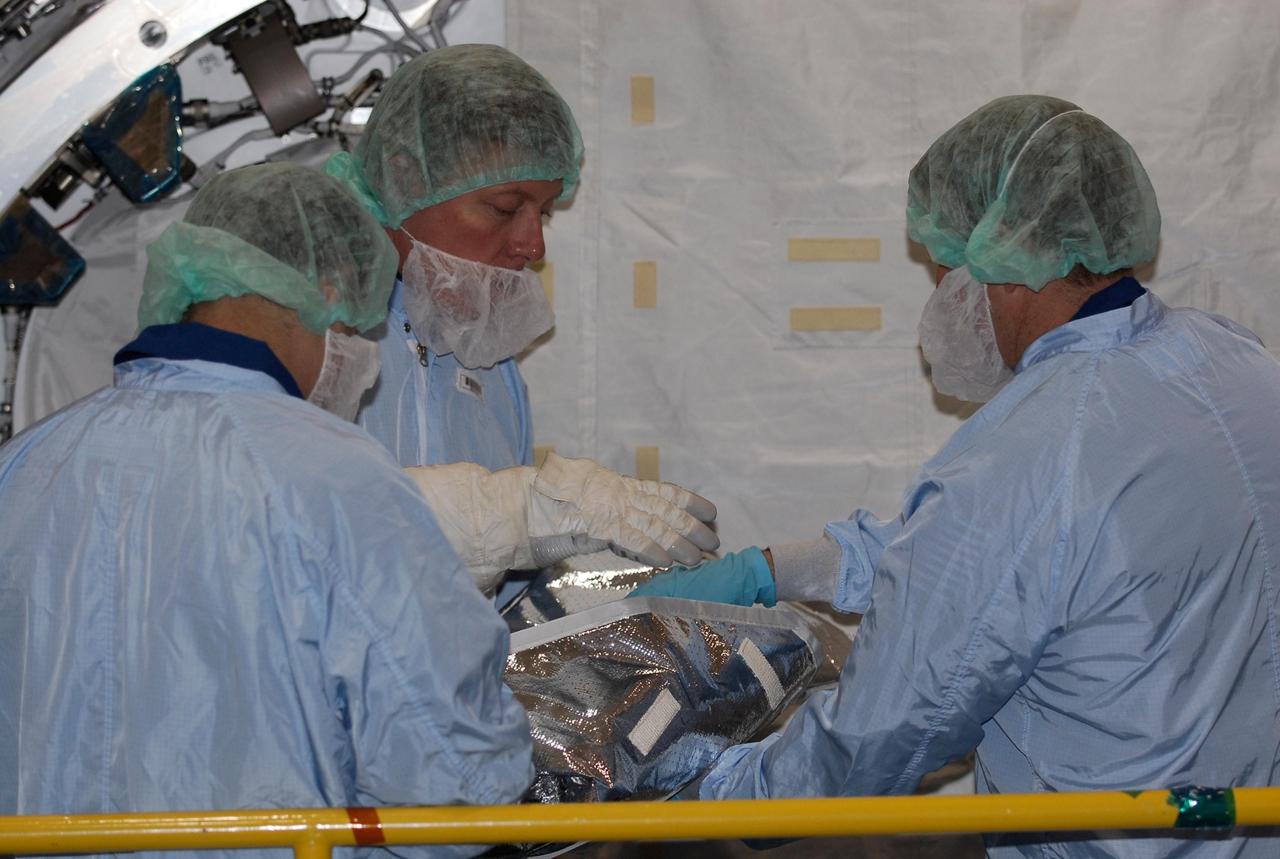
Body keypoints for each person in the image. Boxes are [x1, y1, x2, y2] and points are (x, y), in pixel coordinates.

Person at [635, 95, 1280, 856]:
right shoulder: (1233, 361)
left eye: (943, 272)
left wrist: (711, 787)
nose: (941, 301)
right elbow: (1021, 560)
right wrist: (782, 569)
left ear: (1009, 266)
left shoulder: (1035, 447)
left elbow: (884, 731)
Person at [0, 163, 535, 850]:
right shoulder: (337, 476)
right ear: (329, 291)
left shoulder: (25, 464)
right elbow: (461, 776)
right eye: (356, 329)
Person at [325, 44, 718, 594]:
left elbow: (502, 599)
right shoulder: (311, 326)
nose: (532, 245)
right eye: (506, 208)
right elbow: (292, 523)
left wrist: (612, 602)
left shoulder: (488, 362)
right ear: (403, 176)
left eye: (545, 213)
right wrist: (515, 514)